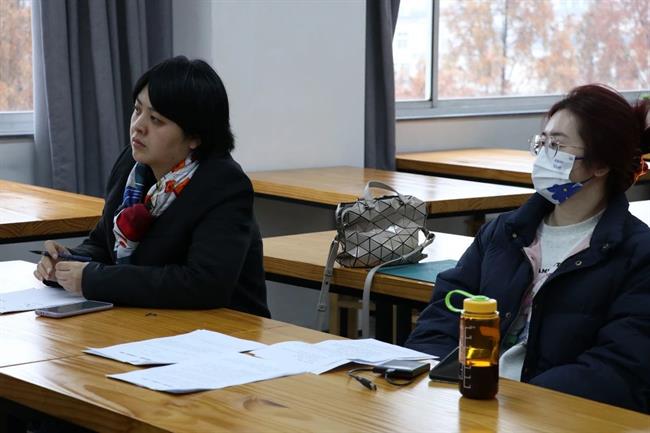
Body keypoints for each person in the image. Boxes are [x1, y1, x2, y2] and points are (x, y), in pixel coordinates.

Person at [406, 84, 650, 413]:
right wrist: (432, 375)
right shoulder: (505, 232)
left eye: (557, 145)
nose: (545, 156)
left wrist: (521, 402)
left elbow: (619, 368)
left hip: (554, 414)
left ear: (601, 165)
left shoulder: (637, 254)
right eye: (542, 143)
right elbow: (444, 314)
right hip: (471, 398)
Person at [33, 56, 270, 318]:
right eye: (137, 110)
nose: (138, 126)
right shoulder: (132, 166)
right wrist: (67, 262)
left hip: (225, 330)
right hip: (149, 320)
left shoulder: (223, 184)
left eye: (156, 119)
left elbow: (203, 284)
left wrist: (93, 279)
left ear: (194, 136)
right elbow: (103, 244)